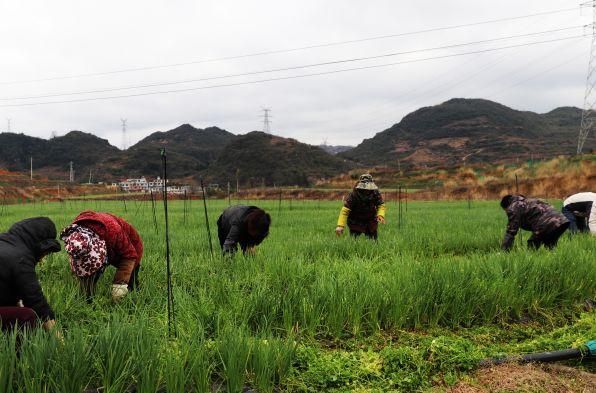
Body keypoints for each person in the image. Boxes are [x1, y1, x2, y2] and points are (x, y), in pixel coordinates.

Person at [61, 211, 143, 302]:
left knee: (131, 275)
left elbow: (130, 256)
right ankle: (87, 298)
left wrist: (119, 285)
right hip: (105, 242)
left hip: (130, 245)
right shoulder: (76, 236)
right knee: (89, 274)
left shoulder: (114, 231)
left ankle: (131, 293)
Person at [0, 217, 61, 332]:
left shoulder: (5, 243)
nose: (42, 259)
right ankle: (18, 348)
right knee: (27, 316)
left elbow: (15, 292)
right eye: (44, 253)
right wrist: (60, 343)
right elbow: (37, 302)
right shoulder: (21, 258)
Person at [500, 195, 569, 251]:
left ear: (507, 206)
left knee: (532, 244)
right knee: (549, 245)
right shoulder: (531, 200)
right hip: (562, 221)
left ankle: (531, 263)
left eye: (505, 210)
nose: (506, 212)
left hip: (546, 223)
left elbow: (511, 231)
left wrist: (504, 251)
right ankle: (555, 263)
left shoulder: (513, 207)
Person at [335, 174, 386, 240]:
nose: (367, 190)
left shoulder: (375, 192)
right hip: (355, 220)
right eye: (365, 188)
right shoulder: (353, 195)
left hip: (370, 219)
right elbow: (345, 210)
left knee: (373, 241)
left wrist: (380, 215)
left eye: (369, 188)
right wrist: (340, 226)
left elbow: (380, 205)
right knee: (354, 241)